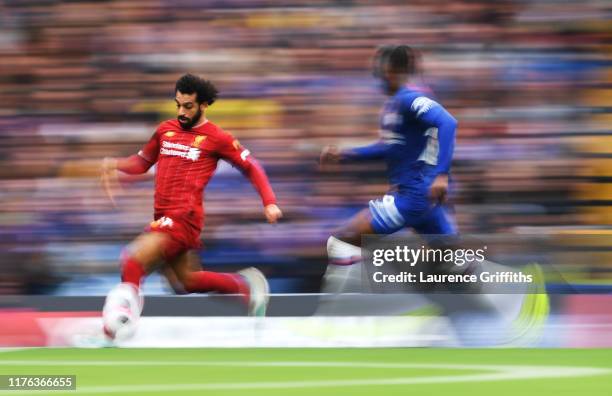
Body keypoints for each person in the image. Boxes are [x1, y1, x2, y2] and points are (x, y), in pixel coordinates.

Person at [100, 73, 283, 322]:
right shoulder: (165, 130)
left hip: (183, 217)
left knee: (132, 260)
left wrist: (269, 202)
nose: (182, 112)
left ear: (204, 105)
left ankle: (120, 326)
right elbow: (142, 163)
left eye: (188, 106)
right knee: (185, 282)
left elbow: (251, 166)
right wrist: (115, 164)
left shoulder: (218, 138)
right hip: (164, 217)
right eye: (178, 105)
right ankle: (243, 286)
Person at [319, 45, 458, 297]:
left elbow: (447, 121)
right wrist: (346, 154)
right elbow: (388, 148)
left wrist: (442, 174)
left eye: (380, 70)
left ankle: (338, 307)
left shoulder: (409, 98)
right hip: (424, 199)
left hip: (411, 196)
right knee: (445, 263)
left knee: (342, 241)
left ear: (392, 70)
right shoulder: (394, 106)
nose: (377, 76)